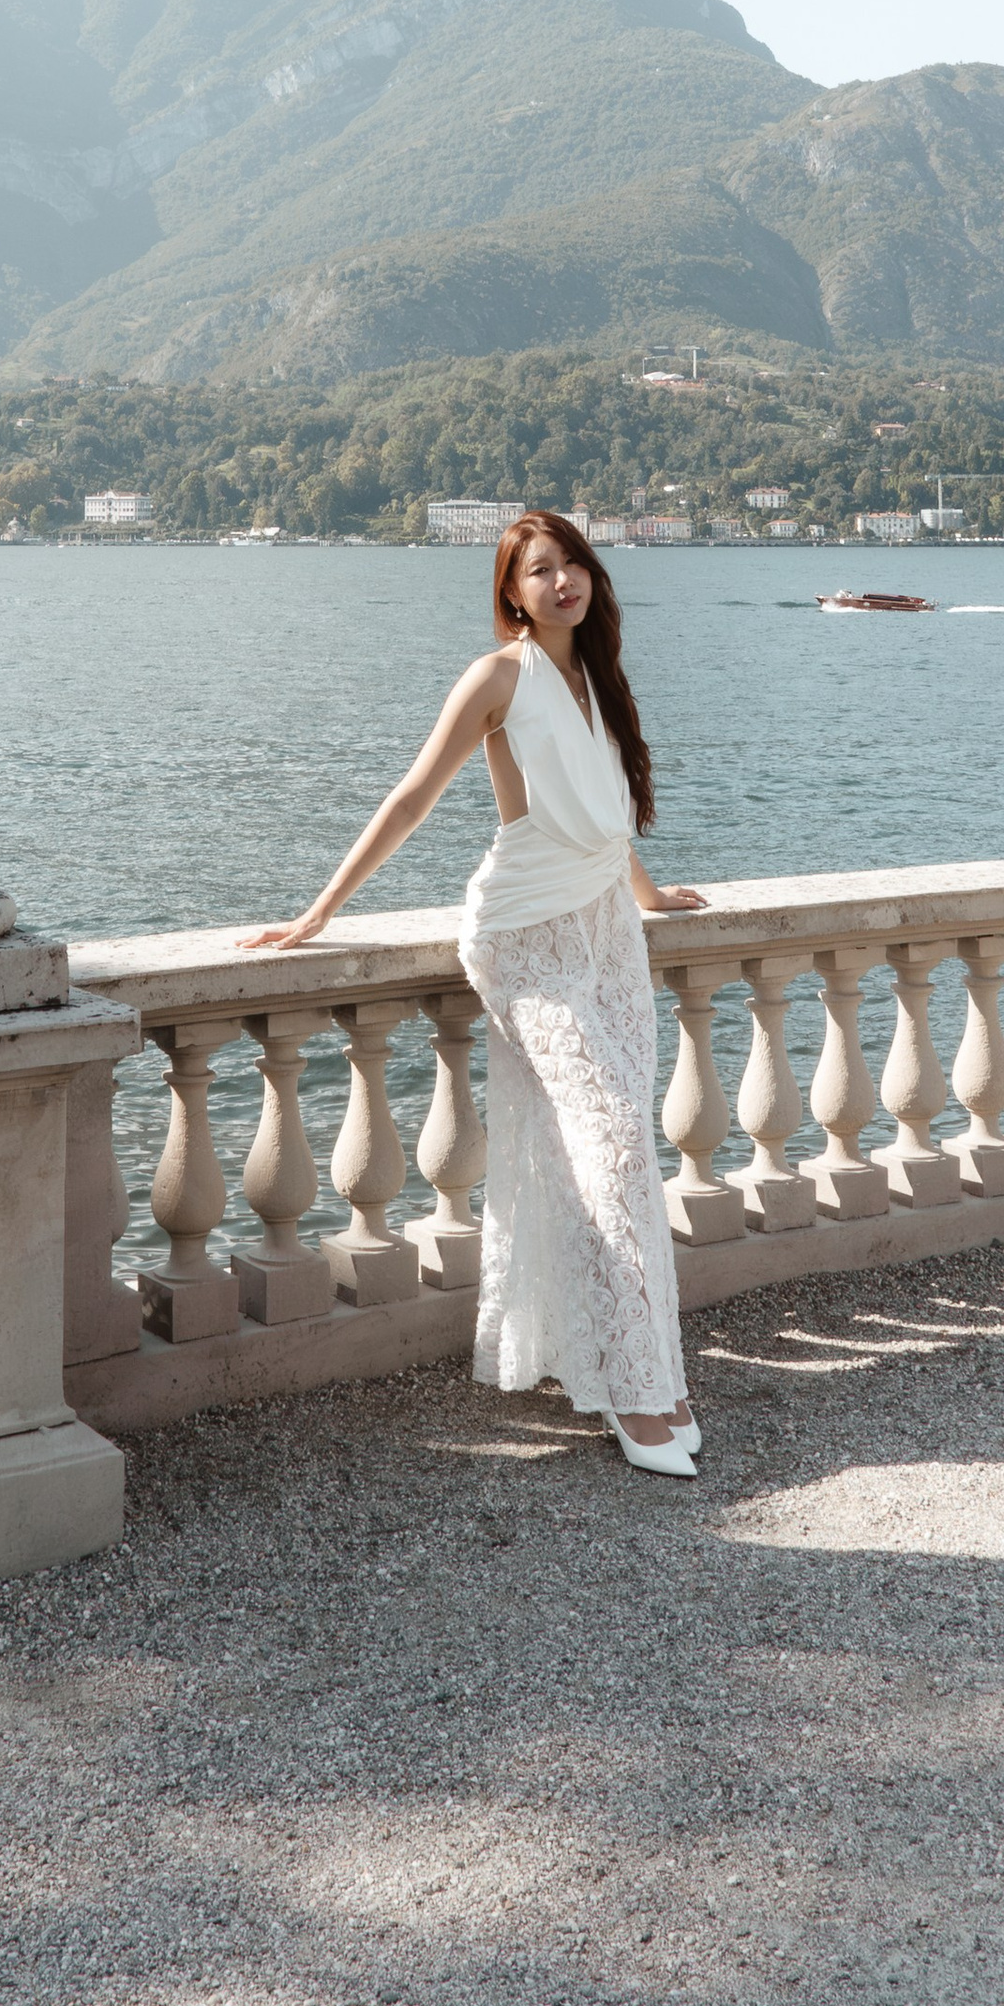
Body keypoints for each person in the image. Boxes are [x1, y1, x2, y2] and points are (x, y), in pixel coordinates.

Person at [242, 508, 709, 1476]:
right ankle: (633, 1392)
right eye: (540, 570)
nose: (561, 581)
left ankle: (641, 1366)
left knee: (614, 1145)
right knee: (612, 1146)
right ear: (511, 590)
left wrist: (649, 895)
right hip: (525, 936)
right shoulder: (499, 675)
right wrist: (316, 913)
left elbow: (606, 818)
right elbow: (413, 794)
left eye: (573, 563)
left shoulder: (598, 679)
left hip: (608, 936)